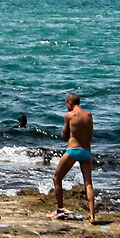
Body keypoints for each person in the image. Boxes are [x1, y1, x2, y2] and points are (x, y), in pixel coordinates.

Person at [51, 91, 97, 223]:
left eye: (66, 104)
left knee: (57, 178)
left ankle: (60, 210)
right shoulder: (89, 115)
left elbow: (65, 136)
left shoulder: (69, 115)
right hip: (86, 151)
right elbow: (90, 134)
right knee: (88, 183)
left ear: (69, 103)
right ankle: (92, 216)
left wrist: (65, 132)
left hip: (73, 150)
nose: (67, 107)